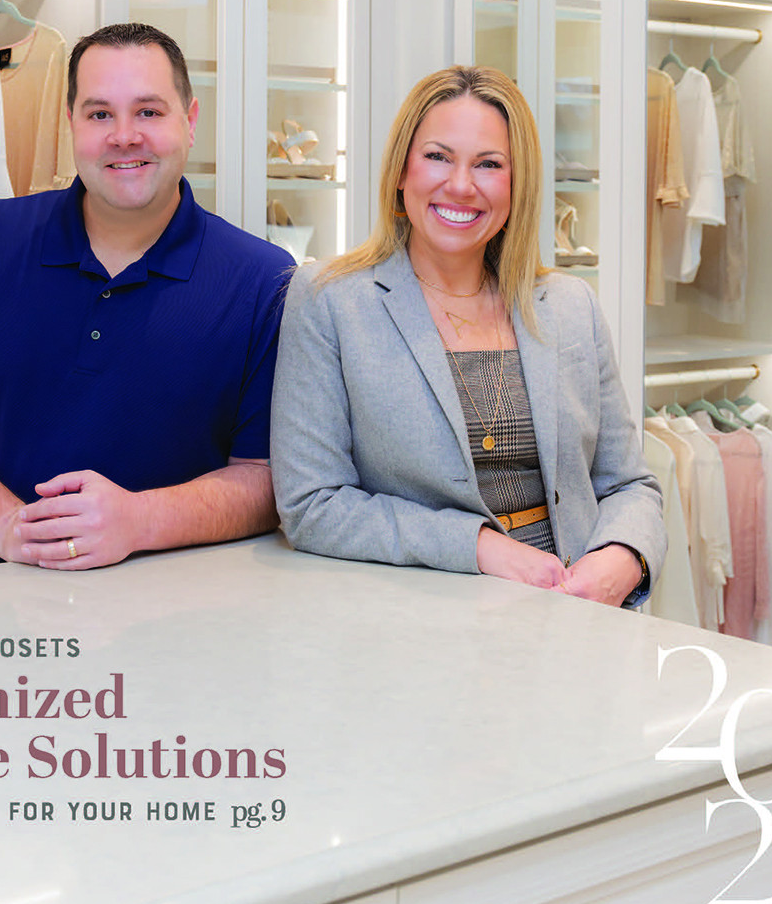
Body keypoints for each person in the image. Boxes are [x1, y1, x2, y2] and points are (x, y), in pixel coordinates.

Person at [0, 22, 294, 573]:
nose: (124, 135)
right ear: (72, 123)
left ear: (190, 121)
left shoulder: (263, 281)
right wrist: (13, 530)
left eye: (148, 112)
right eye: (100, 114)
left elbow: (265, 477)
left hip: (177, 630)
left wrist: (137, 519)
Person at [270, 66, 665, 606]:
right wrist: (479, 546)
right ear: (400, 172)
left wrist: (623, 559)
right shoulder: (329, 300)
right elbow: (311, 505)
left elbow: (628, 485)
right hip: (422, 632)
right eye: (437, 156)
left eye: (489, 164)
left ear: (516, 185)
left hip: (579, 621)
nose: (460, 184)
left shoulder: (573, 308)